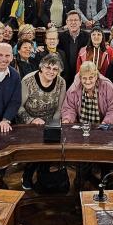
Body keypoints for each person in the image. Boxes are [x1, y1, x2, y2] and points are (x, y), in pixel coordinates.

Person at [18, 54, 67, 189]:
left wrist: (54, 126)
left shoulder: (61, 82)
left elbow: (60, 107)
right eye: (48, 67)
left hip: (51, 120)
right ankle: (27, 174)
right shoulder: (28, 80)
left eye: (55, 69)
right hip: (29, 120)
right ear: (41, 67)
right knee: (35, 149)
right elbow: (19, 106)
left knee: (50, 144)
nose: (51, 71)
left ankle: (43, 176)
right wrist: (31, 120)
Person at [61, 61, 113, 125]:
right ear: (80, 78)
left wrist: (105, 123)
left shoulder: (108, 87)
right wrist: (67, 119)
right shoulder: (73, 90)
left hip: (103, 126)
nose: (87, 82)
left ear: (96, 77)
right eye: (84, 78)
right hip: (80, 127)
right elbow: (69, 109)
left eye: (91, 78)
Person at [58, 10, 90, 85]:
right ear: (66, 22)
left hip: (82, 75)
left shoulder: (87, 37)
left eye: (75, 20)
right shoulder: (60, 37)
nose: (73, 22)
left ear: (80, 22)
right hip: (65, 76)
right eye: (70, 20)